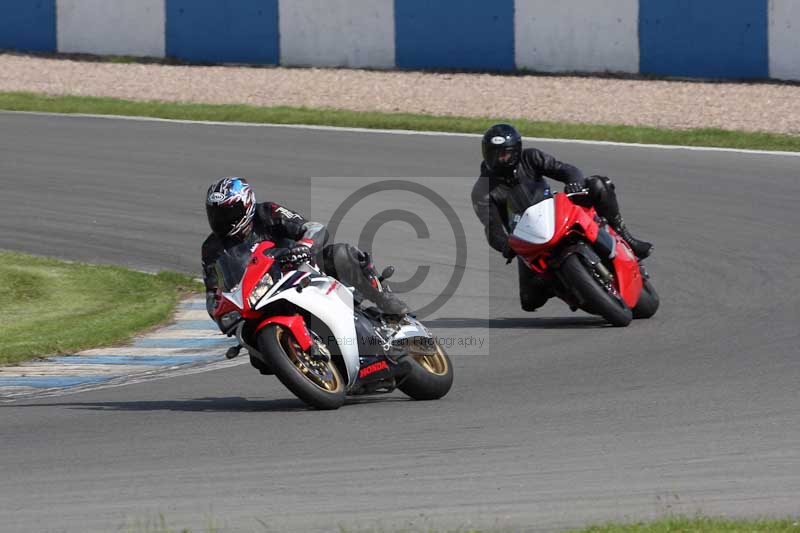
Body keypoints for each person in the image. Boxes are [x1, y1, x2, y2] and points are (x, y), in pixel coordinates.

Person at [471, 123, 653, 312]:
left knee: (599, 184)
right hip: (527, 239)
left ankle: (627, 238)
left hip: (557, 213)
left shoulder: (531, 158)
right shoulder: (482, 191)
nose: (500, 159)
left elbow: (566, 169)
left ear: (516, 151)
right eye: (494, 154)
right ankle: (568, 286)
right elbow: (491, 228)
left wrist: (574, 182)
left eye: (504, 153)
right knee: (529, 300)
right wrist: (505, 245)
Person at [201, 176, 409, 328]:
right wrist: (219, 309)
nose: (223, 220)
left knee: (340, 255)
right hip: (260, 298)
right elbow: (213, 292)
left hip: (301, 271)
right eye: (217, 214)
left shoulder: (267, 213)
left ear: (246, 205)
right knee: (254, 349)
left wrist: (305, 245)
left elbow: (313, 228)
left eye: (229, 213)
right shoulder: (211, 249)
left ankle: (383, 297)